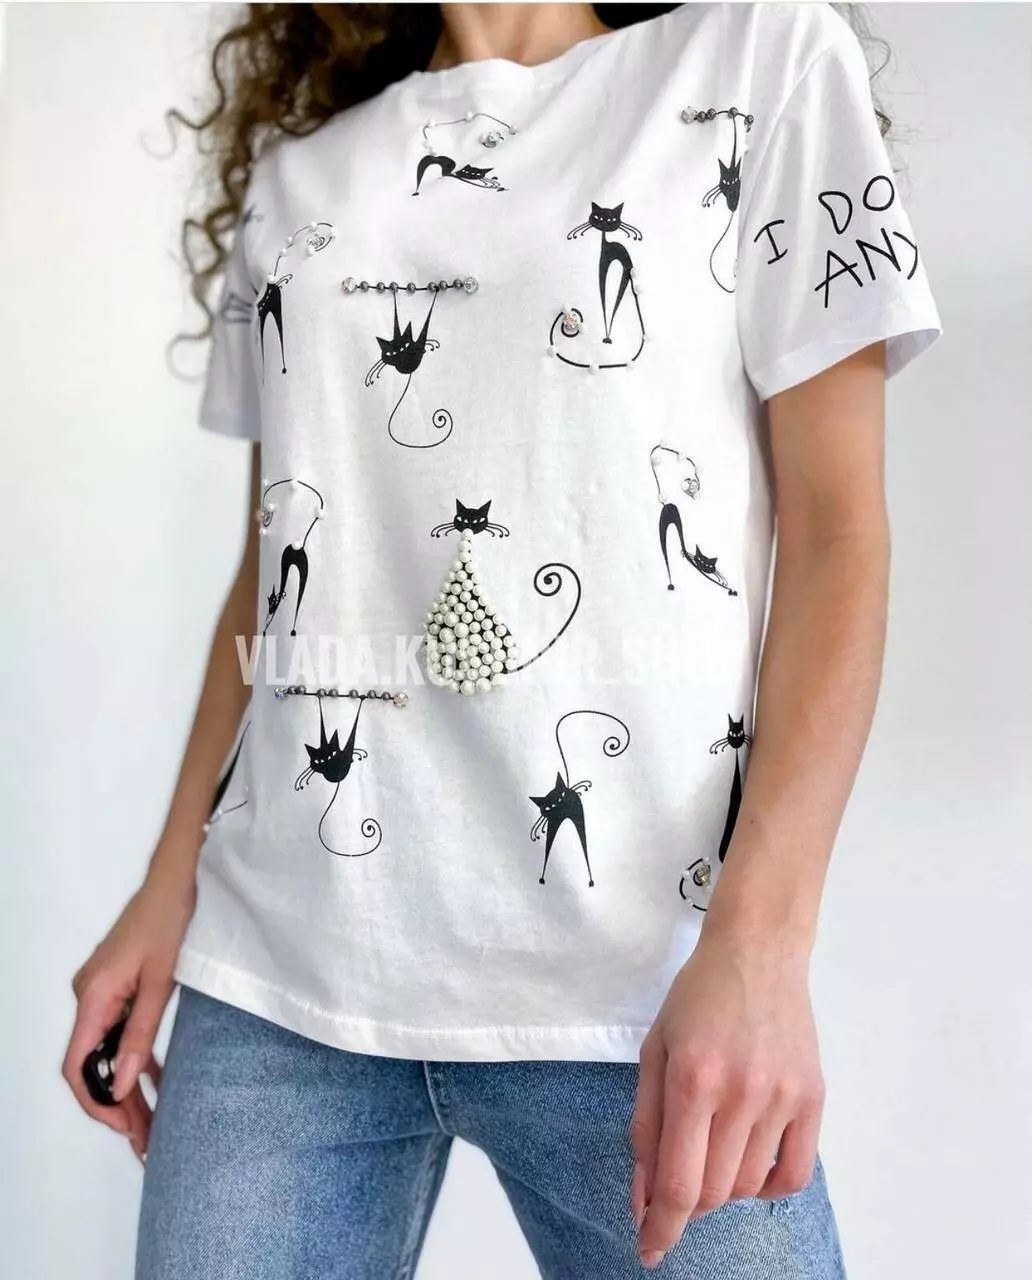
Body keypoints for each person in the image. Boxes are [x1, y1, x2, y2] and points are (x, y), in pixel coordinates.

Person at [62, 3, 943, 1276]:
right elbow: (279, 571)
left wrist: (763, 945)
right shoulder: (299, 177)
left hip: (635, 989)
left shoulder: (761, 62)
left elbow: (840, 535)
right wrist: (167, 884)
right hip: (276, 988)